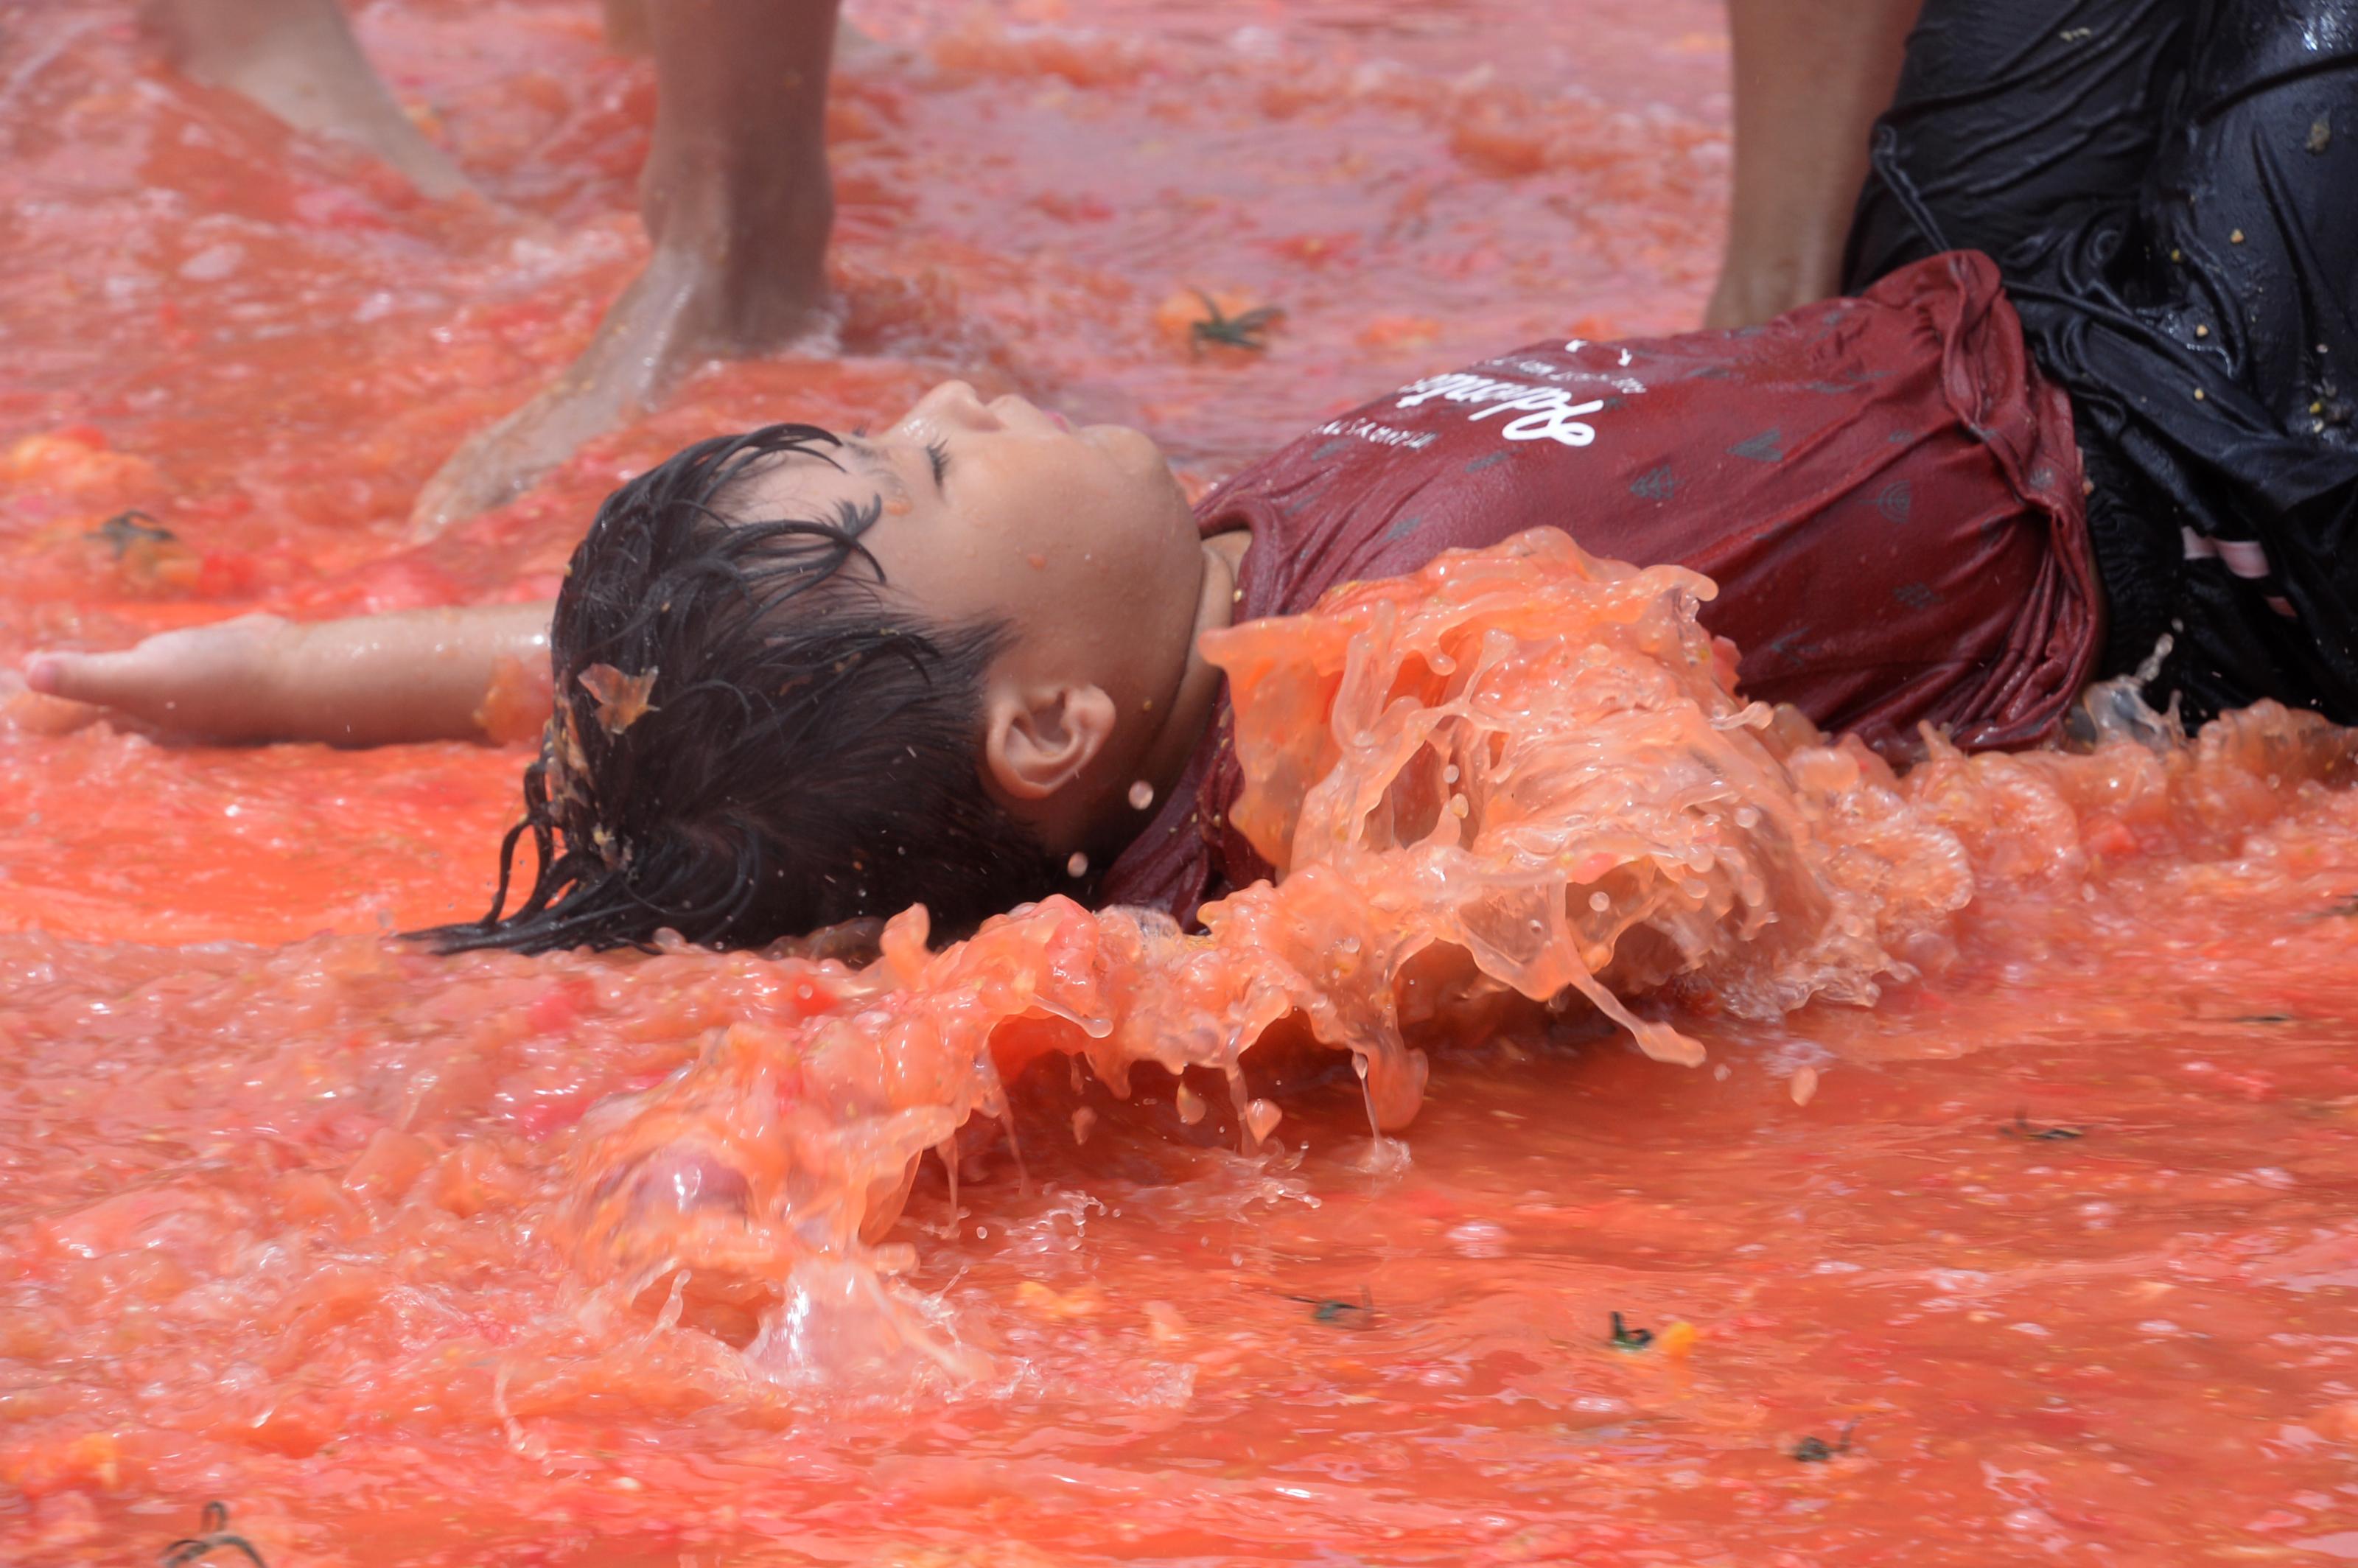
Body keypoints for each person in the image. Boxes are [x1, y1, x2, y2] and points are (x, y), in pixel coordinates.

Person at [32, 0, 2354, 953]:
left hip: (1988, 292)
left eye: (874, 431)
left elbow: (637, 687)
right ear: (1048, 727)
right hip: (2213, 477)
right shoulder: (1345, 755)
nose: (937, 412)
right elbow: (1609, 878)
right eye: (909, 477)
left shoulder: (1174, 587)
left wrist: (230, 672)